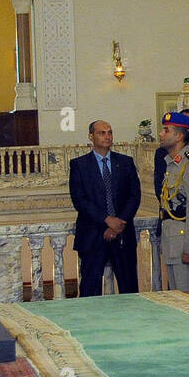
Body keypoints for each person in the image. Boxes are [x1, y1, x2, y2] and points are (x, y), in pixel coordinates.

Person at [69, 120, 141, 296]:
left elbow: (134, 196)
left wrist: (118, 223)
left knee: (129, 288)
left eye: (109, 132)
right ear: (91, 136)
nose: (107, 136)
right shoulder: (79, 165)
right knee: (90, 289)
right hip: (93, 235)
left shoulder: (125, 163)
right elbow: (80, 200)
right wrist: (107, 220)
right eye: (102, 133)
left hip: (122, 235)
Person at [157, 110, 189, 291]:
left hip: (183, 244)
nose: (161, 134)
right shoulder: (172, 163)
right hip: (172, 243)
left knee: (188, 297)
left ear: (179, 136)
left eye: (166, 130)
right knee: (177, 298)